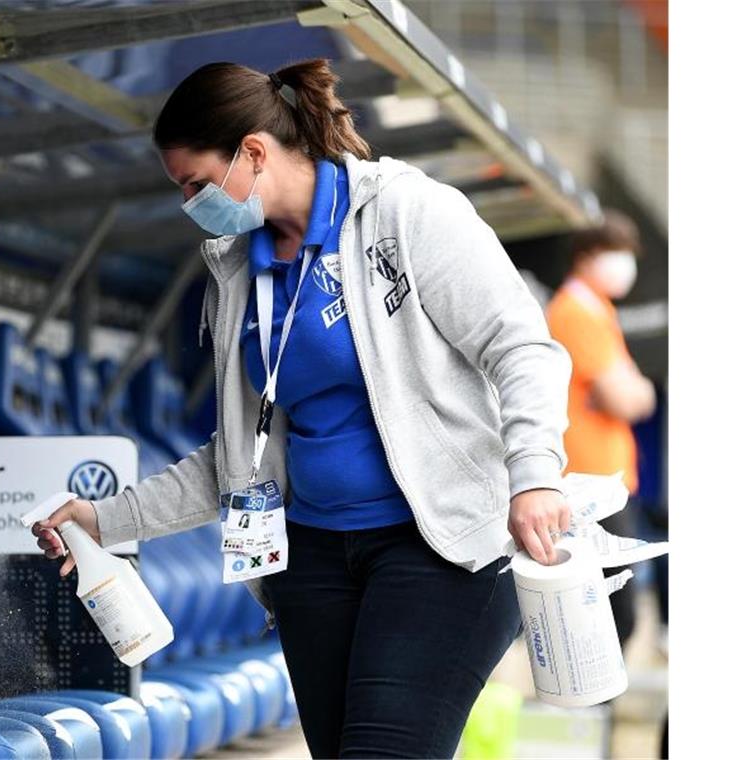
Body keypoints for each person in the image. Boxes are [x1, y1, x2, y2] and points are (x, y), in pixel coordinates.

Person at [32, 59, 572, 759]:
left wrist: (534, 474)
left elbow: (522, 346)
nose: (190, 202)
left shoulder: (408, 213)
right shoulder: (235, 269)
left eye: (196, 182)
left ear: (253, 151)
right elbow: (239, 454)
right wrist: (105, 519)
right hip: (312, 561)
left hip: (439, 549)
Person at [545, 210, 657, 648]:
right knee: (609, 615)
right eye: (616, 253)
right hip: (587, 482)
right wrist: (633, 388)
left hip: (605, 480)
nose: (625, 264)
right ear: (588, 256)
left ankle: (595, 715)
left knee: (612, 612)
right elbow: (626, 398)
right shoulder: (576, 310)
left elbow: (637, 395)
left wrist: (633, 389)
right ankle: (588, 715)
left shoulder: (598, 309)